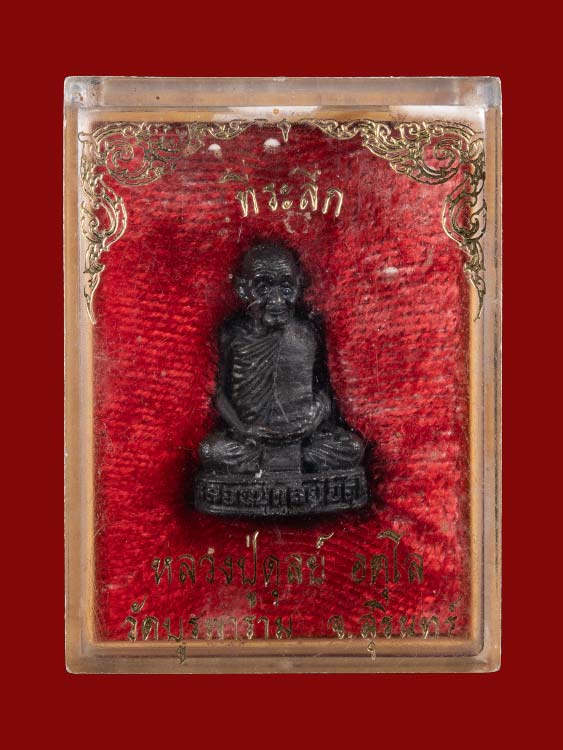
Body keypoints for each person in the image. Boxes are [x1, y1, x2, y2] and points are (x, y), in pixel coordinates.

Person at [199, 240, 364, 474]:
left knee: (353, 448)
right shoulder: (232, 335)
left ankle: (293, 460)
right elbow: (218, 394)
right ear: (242, 289)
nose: (276, 300)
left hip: (302, 438)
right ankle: (270, 463)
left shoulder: (309, 333)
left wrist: (317, 415)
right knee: (211, 451)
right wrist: (243, 429)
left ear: (299, 284)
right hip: (253, 440)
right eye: (263, 288)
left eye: (286, 288)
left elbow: (326, 389)